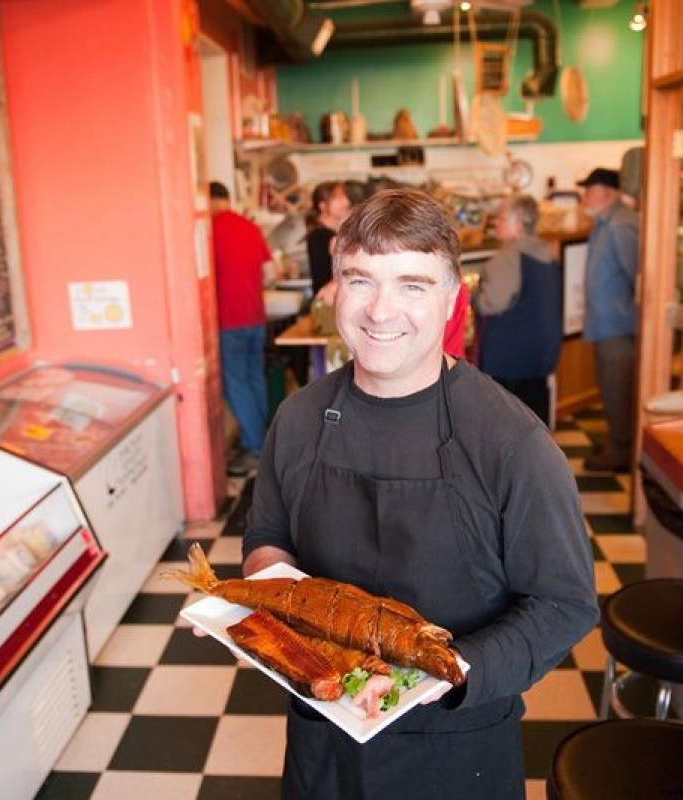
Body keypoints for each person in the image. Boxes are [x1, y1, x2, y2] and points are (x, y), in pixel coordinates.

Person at [242, 188, 598, 799]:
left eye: (412, 284)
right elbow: (267, 539)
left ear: (453, 298)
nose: (382, 310)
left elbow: (564, 605)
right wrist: (260, 600)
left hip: (456, 748)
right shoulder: (297, 420)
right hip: (321, 736)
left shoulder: (512, 442)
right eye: (360, 280)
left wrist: (439, 673)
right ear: (334, 290)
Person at [474, 194, 562, 425]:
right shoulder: (547, 254)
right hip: (540, 357)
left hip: (509, 359)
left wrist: (474, 294)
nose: (496, 224)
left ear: (519, 224)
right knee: (535, 423)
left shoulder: (508, 259)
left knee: (507, 426)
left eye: (501, 219)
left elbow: (490, 303)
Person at [576, 167, 639, 472]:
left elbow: (638, 276)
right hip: (606, 324)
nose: (584, 195)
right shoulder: (604, 222)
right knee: (610, 386)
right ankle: (618, 441)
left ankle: (621, 451)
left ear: (609, 193)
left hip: (620, 325)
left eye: (590, 189)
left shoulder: (621, 225)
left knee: (618, 389)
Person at [209, 180, 269, 477]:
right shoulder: (249, 226)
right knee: (255, 379)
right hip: (256, 316)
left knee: (236, 384)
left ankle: (256, 447)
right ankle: (263, 441)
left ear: (209, 201)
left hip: (228, 319)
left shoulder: (209, 231)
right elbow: (267, 269)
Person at [306, 181, 350, 297]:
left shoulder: (327, 234)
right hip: (328, 301)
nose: (346, 202)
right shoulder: (321, 235)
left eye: (344, 197)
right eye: (339, 198)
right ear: (323, 206)